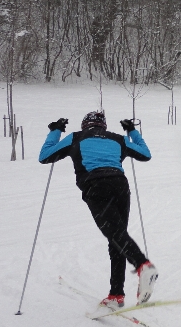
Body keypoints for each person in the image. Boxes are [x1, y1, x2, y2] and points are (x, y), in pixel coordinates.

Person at [38, 112, 158, 308]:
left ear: (85, 125)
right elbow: (145, 154)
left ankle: (143, 265)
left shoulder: (76, 137)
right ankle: (116, 295)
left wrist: (56, 130)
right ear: (103, 126)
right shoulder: (118, 139)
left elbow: (44, 156)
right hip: (120, 185)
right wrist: (131, 131)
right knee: (117, 237)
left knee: (116, 235)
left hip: (96, 185)